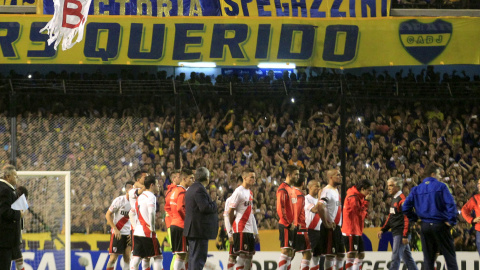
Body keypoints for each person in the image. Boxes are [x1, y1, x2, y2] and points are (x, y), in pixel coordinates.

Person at [403, 164, 458, 270]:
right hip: (440, 225)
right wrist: (451, 221)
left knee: (428, 260)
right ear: (433, 174)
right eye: (438, 174)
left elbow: (405, 207)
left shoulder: (416, 189)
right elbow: (451, 204)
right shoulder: (441, 186)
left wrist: (415, 219)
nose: (440, 177)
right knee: (449, 257)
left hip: (425, 226)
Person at [377, 177, 417, 270]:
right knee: (408, 259)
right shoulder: (395, 199)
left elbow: (407, 218)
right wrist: (383, 229)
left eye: (391, 185)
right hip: (398, 233)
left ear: (398, 187)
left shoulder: (402, 200)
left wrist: (405, 235)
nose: (388, 188)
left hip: (400, 233)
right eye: (388, 186)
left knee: (395, 258)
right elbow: (391, 217)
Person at [184, 167, 218, 270]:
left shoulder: (191, 188)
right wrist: (215, 204)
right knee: (198, 259)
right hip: (198, 230)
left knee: (193, 259)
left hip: (193, 230)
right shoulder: (199, 189)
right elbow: (204, 207)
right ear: (207, 178)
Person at [130, 175, 164, 270]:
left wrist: (135, 226)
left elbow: (131, 213)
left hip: (137, 232)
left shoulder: (140, 197)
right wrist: (152, 228)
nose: (159, 186)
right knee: (158, 257)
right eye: (157, 184)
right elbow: (151, 212)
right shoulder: (151, 196)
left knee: (137, 258)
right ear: (152, 185)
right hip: (147, 233)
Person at [228, 168, 259, 270]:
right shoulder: (238, 192)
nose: (253, 179)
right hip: (241, 228)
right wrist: (232, 228)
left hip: (249, 229)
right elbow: (230, 211)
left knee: (249, 257)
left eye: (254, 177)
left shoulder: (250, 192)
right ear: (244, 177)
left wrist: (256, 232)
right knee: (242, 255)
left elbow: (251, 214)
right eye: (251, 177)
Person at [342, 179, 373, 270]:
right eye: (369, 190)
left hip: (357, 229)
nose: (370, 193)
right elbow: (357, 212)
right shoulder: (352, 197)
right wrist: (366, 202)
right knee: (352, 254)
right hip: (350, 229)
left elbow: (360, 210)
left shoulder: (359, 196)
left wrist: (366, 216)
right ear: (362, 189)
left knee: (360, 254)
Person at [318, 169, 345, 270]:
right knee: (330, 255)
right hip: (330, 228)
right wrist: (326, 223)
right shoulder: (327, 191)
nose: (340, 176)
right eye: (338, 175)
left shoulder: (336, 190)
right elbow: (320, 206)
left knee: (341, 254)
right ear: (330, 177)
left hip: (337, 228)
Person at [105, 181, 134, 270]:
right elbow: (107, 215)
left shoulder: (136, 202)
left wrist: (132, 232)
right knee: (113, 259)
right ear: (128, 190)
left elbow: (136, 219)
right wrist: (115, 229)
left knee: (127, 257)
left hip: (129, 234)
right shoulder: (119, 200)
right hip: (118, 233)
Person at [170, 169, 194, 270]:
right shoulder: (182, 192)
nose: (193, 180)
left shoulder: (174, 190)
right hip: (181, 226)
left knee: (182, 254)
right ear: (184, 178)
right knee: (181, 255)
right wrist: (187, 220)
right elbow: (180, 208)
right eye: (191, 178)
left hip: (174, 224)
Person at [276, 165, 299, 270]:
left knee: (290, 252)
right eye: (296, 174)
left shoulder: (292, 189)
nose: (298, 176)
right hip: (286, 225)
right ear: (289, 174)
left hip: (293, 225)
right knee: (285, 250)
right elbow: (280, 208)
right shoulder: (282, 189)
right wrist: (288, 224)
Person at [0, 165, 22, 270]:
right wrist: (19, 214)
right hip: (4, 240)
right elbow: (4, 211)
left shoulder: (6, 189)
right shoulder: (5, 190)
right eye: (15, 176)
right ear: (8, 176)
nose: (16, 178)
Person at [128, 171, 150, 269]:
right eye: (145, 178)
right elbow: (142, 189)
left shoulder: (146, 191)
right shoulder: (132, 191)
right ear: (138, 180)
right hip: (136, 227)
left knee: (146, 257)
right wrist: (136, 185)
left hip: (145, 226)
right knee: (135, 256)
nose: (147, 179)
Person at [292, 173, 312, 270]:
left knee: (290, 253)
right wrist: (296, 224)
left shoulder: (291, 192)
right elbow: (297, 210)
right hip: (300, 227)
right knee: (307, 253)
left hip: (292, 226)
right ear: (303, 183)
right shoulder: (299, 195)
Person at [224, 176, 244, 270]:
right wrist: (230, 234)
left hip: (245, 232)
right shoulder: (230, 200)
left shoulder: (248, 197)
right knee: (233, 256)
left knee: (245, 256)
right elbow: (227, 217)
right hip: (235, 232)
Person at [304, 180, 323, 270]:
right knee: (307, 256)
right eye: (316, 186)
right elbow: (315, 210)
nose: (319, 188)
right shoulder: (306, 199)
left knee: (317, 256)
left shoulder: (320, 200)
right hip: (310, 230)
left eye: (319, 186)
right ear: (310, 187)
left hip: (320, 231)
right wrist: (320, 198)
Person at [165, 170, 181, 270]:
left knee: (180, 253)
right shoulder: (173, 191)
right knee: (177, 252)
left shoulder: (173, 190)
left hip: (174, 224)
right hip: (173, 224)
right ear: (174, 179)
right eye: (179, 177)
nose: (181, 178)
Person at [461, 178, 480, 256]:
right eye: (478, 184)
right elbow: (464, 210)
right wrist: (472, 220)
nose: (479, 186)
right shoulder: (476, 198)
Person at [12, 185, 28, 270]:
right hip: (12, 239)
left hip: (14, 239)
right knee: (18, 262)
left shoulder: (19, 206)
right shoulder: (15, 207)